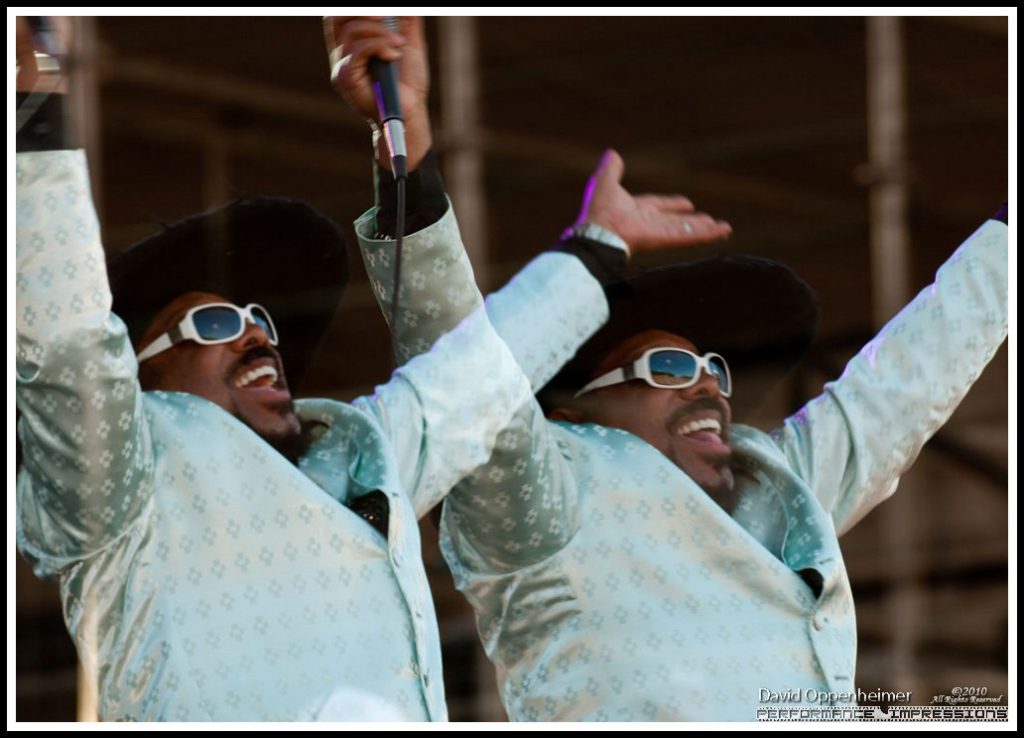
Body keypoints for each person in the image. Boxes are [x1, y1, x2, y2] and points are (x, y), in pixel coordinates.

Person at [357, 30, 1009, 720]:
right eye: (667, 367)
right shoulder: (549, 494)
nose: (706, 385)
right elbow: (459, 372)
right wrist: (407, 145)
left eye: (712, 369)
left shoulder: (777, 489)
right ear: (575, 413)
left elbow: (903, 385)